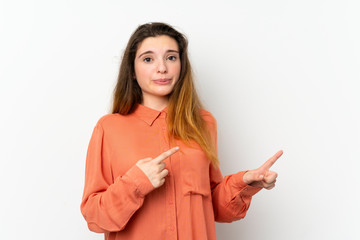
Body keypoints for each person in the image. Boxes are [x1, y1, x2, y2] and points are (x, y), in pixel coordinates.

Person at [80, 22, 283, 240]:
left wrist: (245, 183)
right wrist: (136, 183)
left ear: (181, 65)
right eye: (148, 59)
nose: (162, 68)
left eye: (171, 57)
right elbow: (95, 217)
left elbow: (214, 207)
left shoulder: (204, 123)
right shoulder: (109, 128)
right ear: (132, 70)